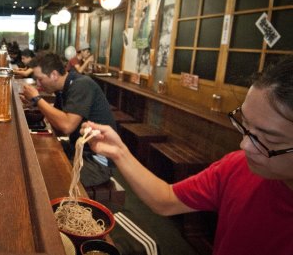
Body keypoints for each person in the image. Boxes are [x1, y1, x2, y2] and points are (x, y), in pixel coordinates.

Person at [82, 55, 293, 255]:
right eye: (244, 125)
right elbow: (167, 200)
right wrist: (119, 151)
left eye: (270, 139)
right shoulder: (238, 166)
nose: (245, 144)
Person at [21, 52, 116, 187]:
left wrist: (38, 99)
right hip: (78, 149)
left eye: (40, 79)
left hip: (96, 162)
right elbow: (59, 128)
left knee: (44, 178)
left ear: (54, 75)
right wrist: (35, 105)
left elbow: (66, 126)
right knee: (34, 157)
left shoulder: (81, 84)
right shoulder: (62, 90)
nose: (38, 84)